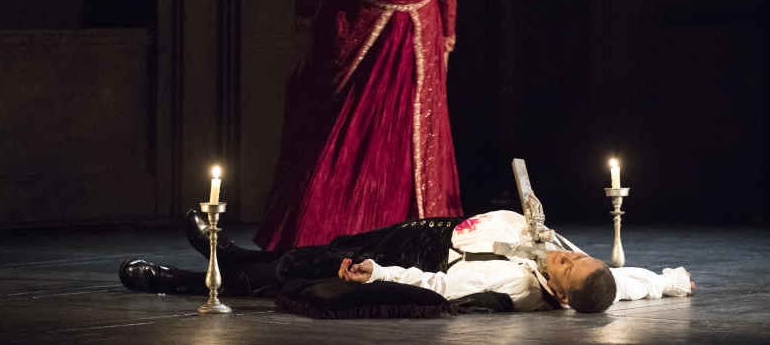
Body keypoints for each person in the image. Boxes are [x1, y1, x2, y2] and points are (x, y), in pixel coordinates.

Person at [253, 0, 469, 251]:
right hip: (361, 50)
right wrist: (304, 26)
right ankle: (317, 243)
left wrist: (448, 42)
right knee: (342, 140)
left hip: (420, 55)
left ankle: (409, 244)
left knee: (412, 144)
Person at [120, 209, 694, 313]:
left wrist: (382, 272)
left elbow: (438, 286)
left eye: (569, 270)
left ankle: (187, 282)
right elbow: (630, 281)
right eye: (579, 258)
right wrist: (671, 282)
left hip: (417, 253)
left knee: (304, 269)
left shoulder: (513, 287)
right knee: (313, 253)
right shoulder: (591, 273)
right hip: (429, 227)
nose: (569, 258)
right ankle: (232, 256)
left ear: (562, 297)